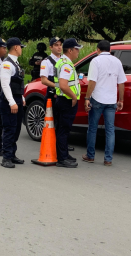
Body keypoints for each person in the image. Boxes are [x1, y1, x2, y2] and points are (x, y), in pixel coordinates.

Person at [82, 40, 126, 166]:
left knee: (92, 129)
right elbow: (121, 82)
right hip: (112, 100)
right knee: (110, 130)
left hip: (97, 99)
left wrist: (87, 98)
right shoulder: (117, 61)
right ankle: (108, 159)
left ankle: (90, 156)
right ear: (110, 50)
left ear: (98, 50)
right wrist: (121, 99)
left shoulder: (96, 61)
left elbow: (92, 82)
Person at [40, 37, 75, 151]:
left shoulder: (64, 60)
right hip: (52, 96)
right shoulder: (47, 61)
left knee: (63, 123)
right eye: (56, 45)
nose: (59, 47)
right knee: (53, 122)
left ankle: (62, 145)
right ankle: (52, 146)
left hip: (63, 96)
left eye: (60, 44)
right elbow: (44, 80)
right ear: (51, 47)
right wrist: (59, 86)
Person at [53, 38, 83, 168]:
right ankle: (62, 158)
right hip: (67, 100)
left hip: (61, 99)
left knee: (62, 129)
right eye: (76, 49)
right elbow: (64, 85)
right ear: (70, 50)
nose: (78, 52)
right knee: (63, 130)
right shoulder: (66, 65)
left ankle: (63, 154)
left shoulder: (61, 61)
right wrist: (74, 97)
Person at [0, 37, 26, 168]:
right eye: (20, 47)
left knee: (16, 129)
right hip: (9, 100)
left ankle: (12, 154)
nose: (21, 49)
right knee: (9, 129)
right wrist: (11, 102)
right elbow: (5, 84)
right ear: (16, 47)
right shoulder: (7, 64)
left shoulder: (15, 63)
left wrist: (22, 98)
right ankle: (6, 157)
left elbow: (18, 83)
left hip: (17, 99)